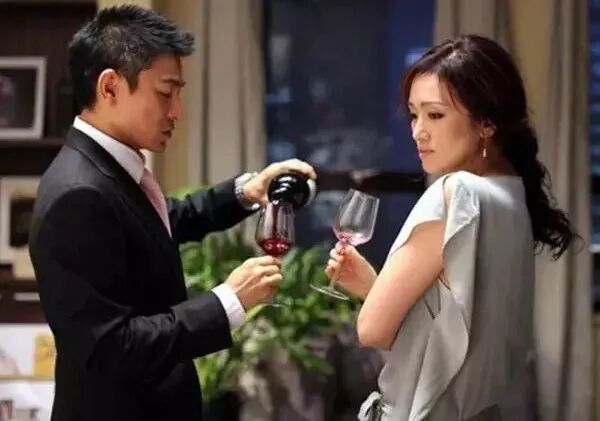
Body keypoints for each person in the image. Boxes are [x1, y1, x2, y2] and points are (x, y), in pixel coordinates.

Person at [28, 5, 316, 421]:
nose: (177, 111)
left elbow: (161, 221)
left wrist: (245, 192)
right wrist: (228, 301)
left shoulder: (105, 169)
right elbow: (111, 347)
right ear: (110, 87)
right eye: (166, 93)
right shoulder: (77, 194)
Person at [325, 34, 576, 420]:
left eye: (435, 115)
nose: (418, 131)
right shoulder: (513, 196)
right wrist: (374, 288)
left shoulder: (456, 193)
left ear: (486, 122)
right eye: (414, 115)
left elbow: (373, 329)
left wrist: (374, 295)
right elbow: (452, 335)